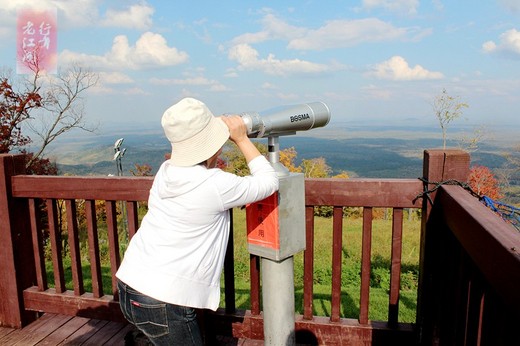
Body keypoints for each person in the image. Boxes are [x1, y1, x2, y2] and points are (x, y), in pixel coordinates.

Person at [116, 97, 279, 345]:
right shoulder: (214, 183)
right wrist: (242, 139)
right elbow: (269, 182)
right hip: (163, 300)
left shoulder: (167, 169)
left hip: (129, 284)